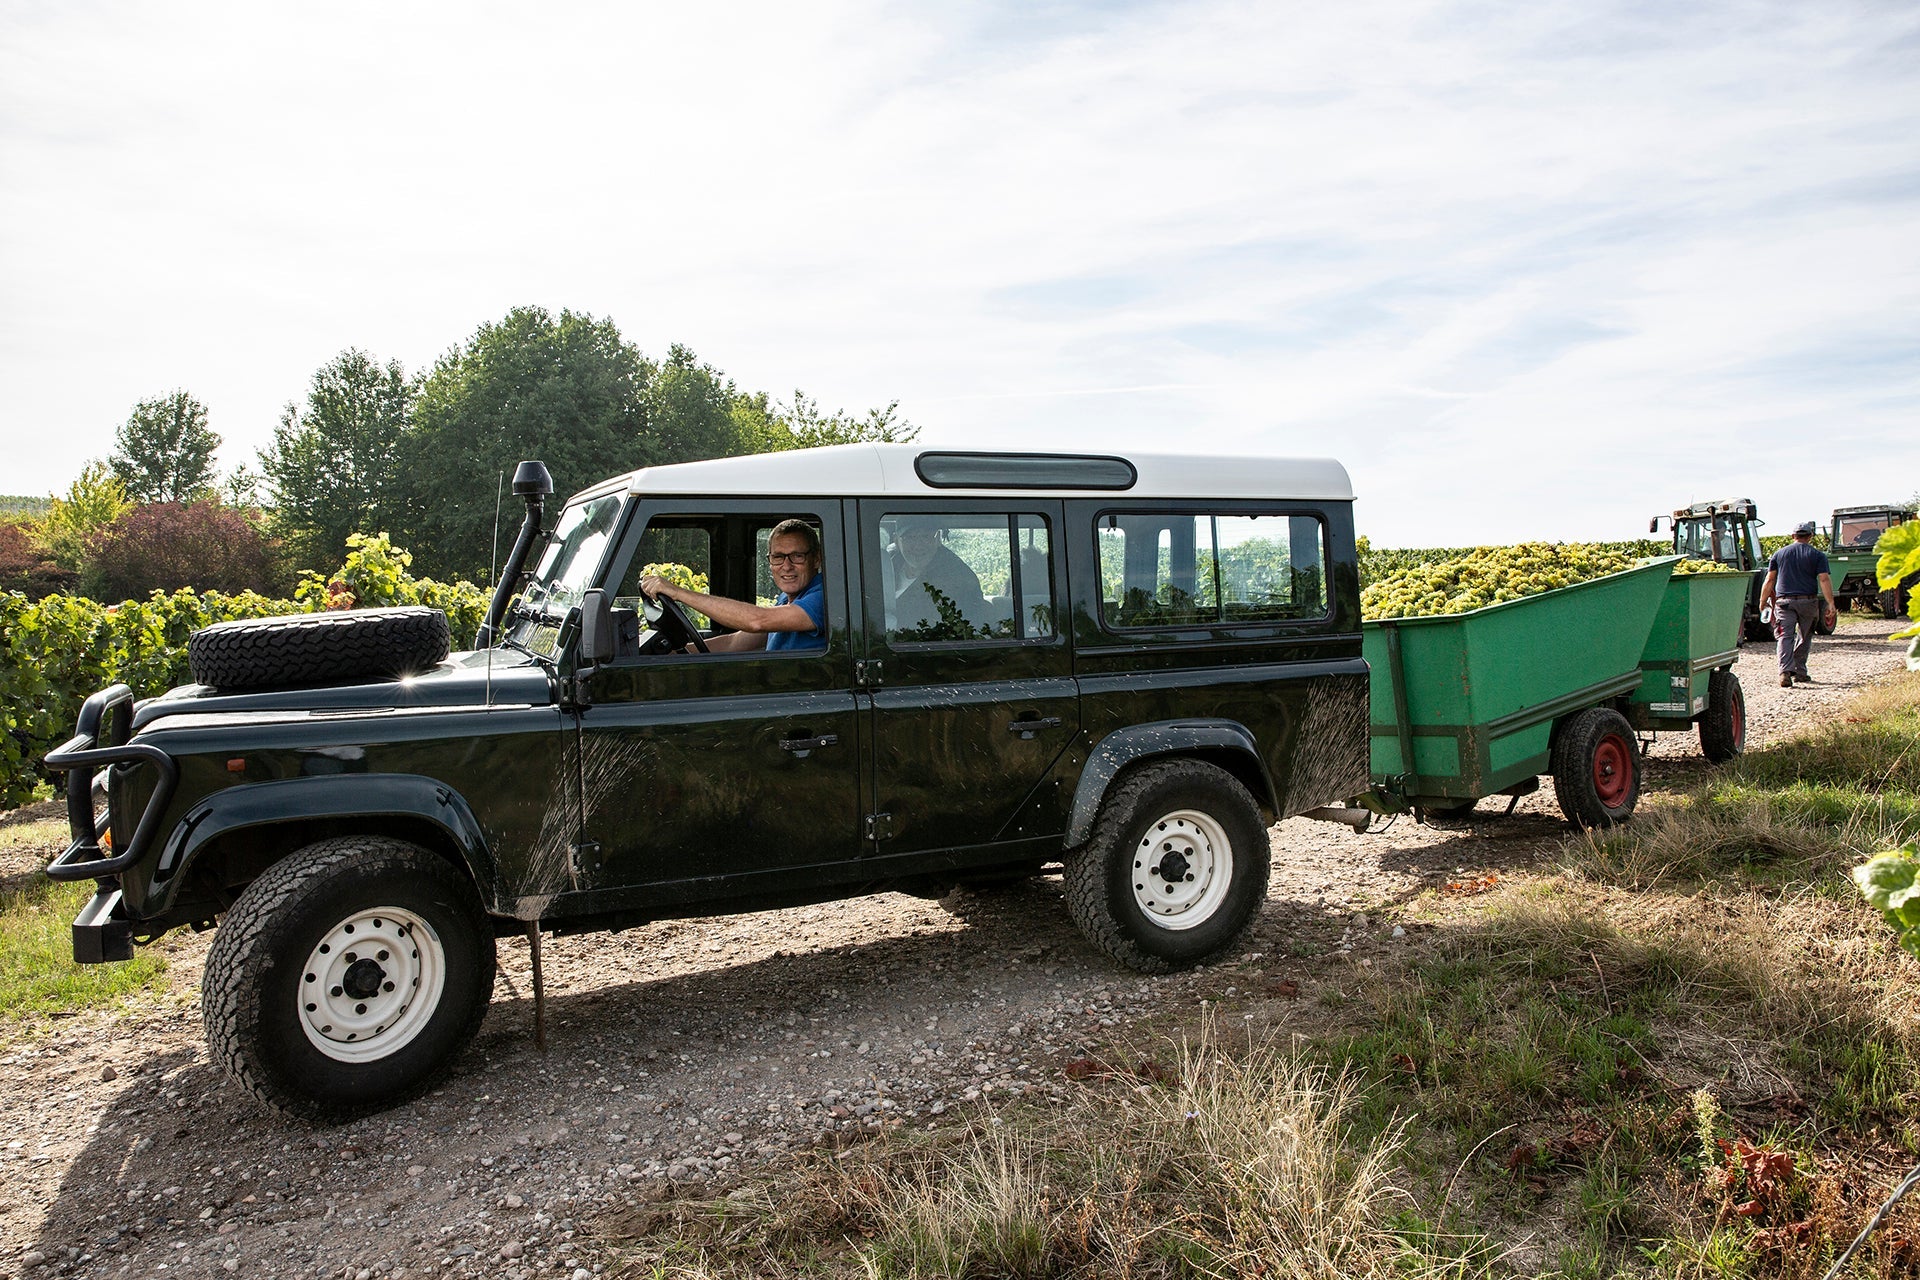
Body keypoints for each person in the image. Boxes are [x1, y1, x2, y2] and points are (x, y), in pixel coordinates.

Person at [638, 519, 825, 653]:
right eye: (778, 557)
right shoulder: (788, 598)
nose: (786, 566)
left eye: (797, 556)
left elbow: (758, 621)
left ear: (816, 559)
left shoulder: (823, 598)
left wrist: (678, 592)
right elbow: (733, 643)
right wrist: (678, 654)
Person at [1758, 520, 1836, 687]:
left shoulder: (1778, 554)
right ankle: (1800, 672)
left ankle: (1784, 671)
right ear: (1810, 536)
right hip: (1808, 601)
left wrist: (1762, 601)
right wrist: (1830, 603)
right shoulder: (1818, 555)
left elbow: (1770, 579)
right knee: (1805, 635)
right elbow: (1823, 579)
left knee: (1785, 637)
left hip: (1784, 602)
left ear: (1793, 536)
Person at [889, 515, 988, 639]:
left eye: (926, 536)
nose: (918, 545)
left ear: (938, 540)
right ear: (896, 541)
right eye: (910, 537)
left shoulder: (961, 579)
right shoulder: (885, 568)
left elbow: (968, 632)